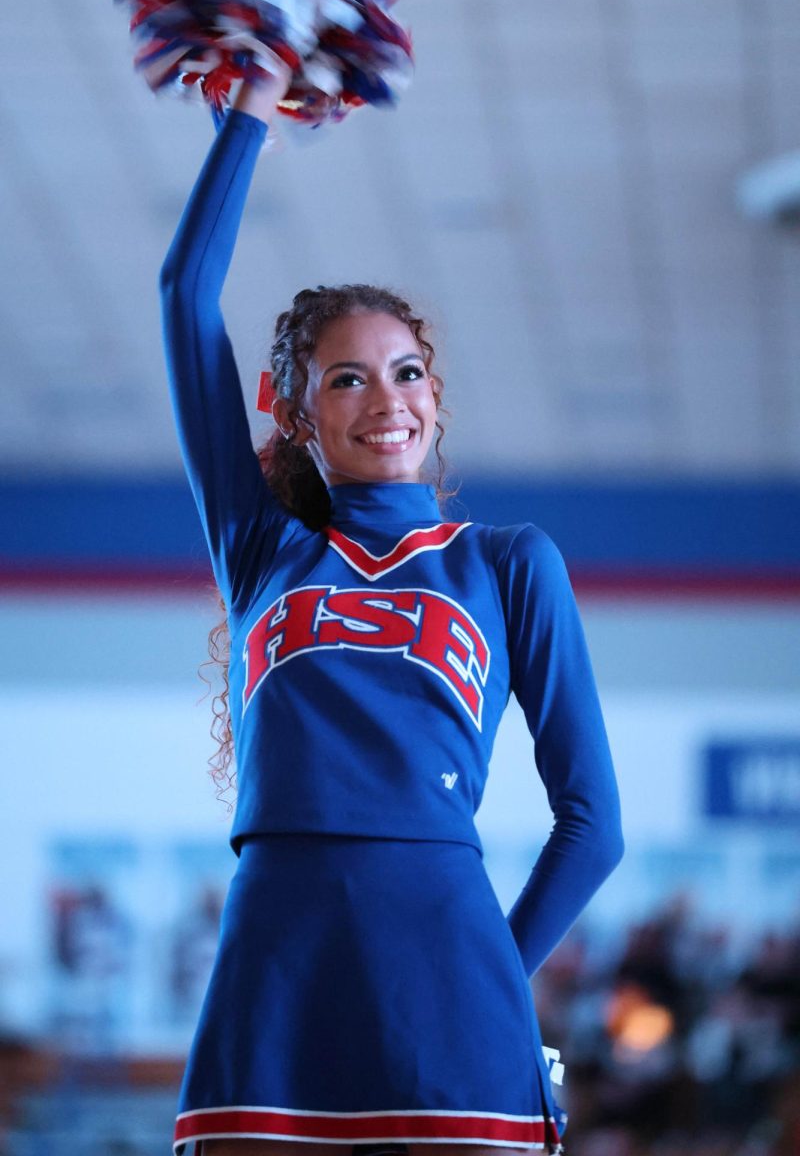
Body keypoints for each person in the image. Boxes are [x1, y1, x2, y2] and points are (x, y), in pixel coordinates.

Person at [159, 64, 625, 1156]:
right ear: (297, 415)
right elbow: (184, 294)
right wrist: (248, 115)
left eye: (405, 371)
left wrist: (487, 977)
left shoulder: (507, 563)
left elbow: (592, 824)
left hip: (447, 961)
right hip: (275, 951)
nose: (386, 400)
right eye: (345, 380)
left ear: (435, 396)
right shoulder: (260, 549)